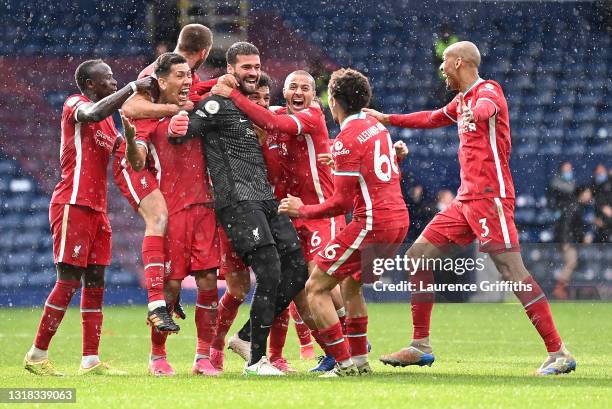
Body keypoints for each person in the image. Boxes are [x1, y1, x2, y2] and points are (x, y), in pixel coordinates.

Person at [363, 41, 576, 375]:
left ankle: (558, 352)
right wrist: (388, 118)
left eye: (445, 63)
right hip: (465, 201)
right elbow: (431, 118)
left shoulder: (488, 91)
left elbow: (488, 107)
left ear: (459, 62)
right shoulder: (461, 100)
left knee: (512, 272)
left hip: (490, 198)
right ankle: (420, 345)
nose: (441, 68)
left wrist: (474, 113)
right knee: (416, 257)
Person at [169, 42, 309, 376]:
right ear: (231, 70)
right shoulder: (217, 103)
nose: (253, 72)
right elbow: (187, 129)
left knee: (298, 270)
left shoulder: (247, 105)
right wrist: (177, 125)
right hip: (237, 201)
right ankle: (257, 361)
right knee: (270, 271)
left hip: (265, 199)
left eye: (256, 66)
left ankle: (247, 337)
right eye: (245, 67)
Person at [211, 69, 351, 372]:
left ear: (315, 96)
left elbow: (271, 120)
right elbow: (263, 115)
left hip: (320, 211)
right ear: (284, 93)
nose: (298, 92)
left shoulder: (310, 116)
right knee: (299, 293)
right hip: (290, 215)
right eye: (292, 87)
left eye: (305, 88)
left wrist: (231, 94)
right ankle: (333, 352)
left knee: (320, 282)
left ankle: (351, 345)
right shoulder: (271, 117)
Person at [24, 59, 154, 376]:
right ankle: (37, 355)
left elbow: (135, 163)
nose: (113, 82)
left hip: (97, 210)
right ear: (91, 84)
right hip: (72, 203)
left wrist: (136, 139)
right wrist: (133, 87)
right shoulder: (76, 104)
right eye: (107, 78)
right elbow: (94, 113)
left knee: (95, 283)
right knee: (68, 280)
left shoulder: (110, 124)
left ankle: (90, 360)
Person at [279, 68, 410, 377]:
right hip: (398, 220)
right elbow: (382, 173)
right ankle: (360, 362)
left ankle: (344, 364)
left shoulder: (345, 138)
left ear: (333, 101)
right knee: (352, 287)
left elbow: (340, 204)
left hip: (372, 223)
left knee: (316, 288)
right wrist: (341, 161)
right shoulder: (376, 128)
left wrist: (302, 210)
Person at [113, 24, 215, 332]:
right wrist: (173, 109)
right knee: (158, 217)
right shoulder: (156, 72)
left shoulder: (187, 77)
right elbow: (129, 105)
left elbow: (194, 94)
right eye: (180, 78)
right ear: (205, 52)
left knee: (165, 220)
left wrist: (217, 85)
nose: (185, 81)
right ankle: (156, 302)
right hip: (132, 156)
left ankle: (162, 298)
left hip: (152, 159)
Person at [124, 52, 221, 376]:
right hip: (174, 209)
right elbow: (138, 161)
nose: (186, 80)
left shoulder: (197, 103)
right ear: (162, 81)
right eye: (178, 76)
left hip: (205, 207)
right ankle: (157, 356)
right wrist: (129, 142)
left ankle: (203, 357)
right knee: (172, 286)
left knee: (208, 282)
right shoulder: (147, 117)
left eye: (188, 75)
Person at [209, 73, 301, 373]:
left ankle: (273, 354)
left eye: (265, 99)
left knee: (279, 277)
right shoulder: (230, 129)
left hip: (272, 211)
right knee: (238, 288)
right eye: (255, 100)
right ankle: (213, 351)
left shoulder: (275, 125)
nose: (262, 104)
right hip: (240, 214)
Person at [590, 164, 611, 243]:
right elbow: (592, 202)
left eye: (602, 170)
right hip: (600, 219)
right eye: (598, 171)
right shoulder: (593, 185)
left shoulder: (610, 182)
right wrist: (601, 208)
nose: (600, 173)